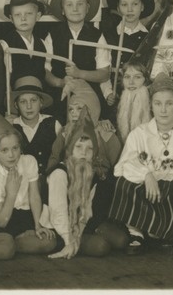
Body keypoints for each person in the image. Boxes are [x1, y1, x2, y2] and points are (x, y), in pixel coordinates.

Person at [109, 74, 173, 253]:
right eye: (158, 103)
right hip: (148, 190)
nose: (163, 110)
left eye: (169, 103)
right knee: (123, 182)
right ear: (151, 106)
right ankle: (137, 231)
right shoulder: (140, 133)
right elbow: (124, 164)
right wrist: (147, 175)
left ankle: (160, 231)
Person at [44, 106, 130, 259]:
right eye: (78, 147)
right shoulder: (59, 173)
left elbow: (86, 210)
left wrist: (78, 236)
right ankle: (64, 245)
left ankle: (81, 241)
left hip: (80, 226)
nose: (84, 153)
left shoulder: (90, 172)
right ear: (70, 150)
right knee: (100, 247)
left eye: (89, 149)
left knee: (122, 240)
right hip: (58, 227)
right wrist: (69, 240)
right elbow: (58, 211)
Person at [0, 114, 57, 255]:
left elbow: (34, 195)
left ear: (21, 148)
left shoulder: (29, 162)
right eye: (4, 150)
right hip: (3, 218)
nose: (11, 155)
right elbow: (1, 222)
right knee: (6, 249)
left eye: (15, 148)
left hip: (25, 217)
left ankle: (12, 243)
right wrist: (11, 193)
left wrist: (37, 224)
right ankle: (2, 243)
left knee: (49, 241)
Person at [44, 0, 112, 120]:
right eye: (69, 5)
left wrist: (79, 73)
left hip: (90, 95)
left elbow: (104, 74)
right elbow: (45, 70)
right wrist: (60, 82)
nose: (75, 9)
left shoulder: (96, 35)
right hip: (60, 96)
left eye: (80, 4)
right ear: (63, 10)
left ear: (87, 8)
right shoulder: (53, 35)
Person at [9, 75, 62, 176]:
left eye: (33, 100)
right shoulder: (12, 126)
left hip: (50, 183)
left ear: (41, 103)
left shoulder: (53, 123)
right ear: (16, 105)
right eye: (23, 101)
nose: (29, 106)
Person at [102, 0, 154, 72]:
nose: (130, 9)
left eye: (135, 4)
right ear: (118, 8)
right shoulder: (107, 34)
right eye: (124, 4)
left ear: (142, 7)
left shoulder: (148, 38)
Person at [1, 0, 48, 86]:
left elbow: (45, 72)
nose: (23, 18)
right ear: (11, 18)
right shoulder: (4, 44)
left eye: (29, 13)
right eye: (17, 15)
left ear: (37, 16)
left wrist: (60, 82)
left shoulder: (42, 43)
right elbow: (5, 78)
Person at [112, 60, 152, 144]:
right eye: (127, 77)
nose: (131, 82)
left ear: (145, 79)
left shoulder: (152, 104)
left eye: (137, 77)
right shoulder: (118, 102)